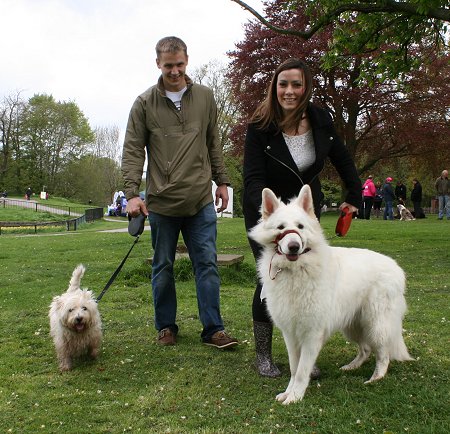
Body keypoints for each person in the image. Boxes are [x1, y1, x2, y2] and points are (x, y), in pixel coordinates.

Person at [243, 58, 361, 377]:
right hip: (270, 214)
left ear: (306, 86)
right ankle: (264, 355)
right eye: (283, 84)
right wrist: (273, 213)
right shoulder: (259, 124)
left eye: (296, 84)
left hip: (306, 212)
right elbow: (253, 177)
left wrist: (354, 194)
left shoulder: (321, 119)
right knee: (271, 279)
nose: (289, 91)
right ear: (274, 87)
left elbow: (342, 158)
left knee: (310, 280)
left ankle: (305, 357)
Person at [121, 36, 238, 349]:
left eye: (180, 64)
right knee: (162, 267)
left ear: (187, 61)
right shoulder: (144, 103)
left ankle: (213, 329)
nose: (174, 71)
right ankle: (166, 327)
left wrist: (222, 181)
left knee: (208, 265)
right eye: (168, 65)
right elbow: (133, 149)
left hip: (200, 198)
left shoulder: (205, 97)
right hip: (160, 202)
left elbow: (214, 142)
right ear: (158, 64)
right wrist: (132, 193)